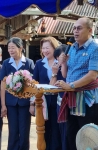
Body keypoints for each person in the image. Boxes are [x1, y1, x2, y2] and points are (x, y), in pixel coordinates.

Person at [55, 17, 98, 150]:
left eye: (79, 28)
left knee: (88, 137)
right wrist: (63, 63)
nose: (75, 31)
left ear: (90, 30)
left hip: (87, 100)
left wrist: (71, 86)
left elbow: (93, 75)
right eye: (74, 28)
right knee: (71, 136)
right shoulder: (72, 48)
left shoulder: (95, 48)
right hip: (72, 98)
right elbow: (66, 75)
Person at [0, 37, 35, 150]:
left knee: (24, 131)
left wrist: (32, 104)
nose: (10, 50)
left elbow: (34, 85)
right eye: (9, 48)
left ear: (21, 48)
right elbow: (3, 85)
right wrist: (3, 105)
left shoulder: (29, 63)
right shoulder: (6, 63)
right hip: (11, 103)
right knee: (13, 130)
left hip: (25, 103)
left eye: (13, 48)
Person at [31, 36, 62, 150]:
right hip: (43, 103)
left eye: (47, 48)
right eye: (43, 48)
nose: (45, 51)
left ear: (54, 48)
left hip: (58, 101)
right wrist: (32, 104)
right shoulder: (39, 63)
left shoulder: (60, 62)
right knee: (43, 131)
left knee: (56, 130)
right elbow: (34, 83)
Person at [50, 44, 67, 150]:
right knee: (59, 131)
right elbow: (52, 88)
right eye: (57, 58)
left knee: (67, 132)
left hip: (69, 103)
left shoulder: (71, 68)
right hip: (59, 103)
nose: (58, 61)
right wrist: (54, 73)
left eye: (60, 58)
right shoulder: (57, 68)